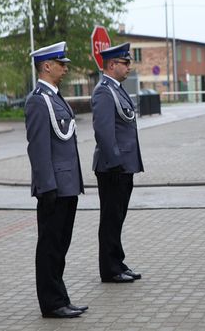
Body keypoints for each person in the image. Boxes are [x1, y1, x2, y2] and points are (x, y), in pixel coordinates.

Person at [25, 41, 87, 318]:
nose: (65, 69)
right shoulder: (38, 100)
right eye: (61, 64)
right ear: (46, 66)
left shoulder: (55, 97)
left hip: (67, 185)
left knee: (60, 246)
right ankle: (51, 303)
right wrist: (47, 186)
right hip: (54, 188)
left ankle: (60, 297)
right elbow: (38, 149)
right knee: (50, 247)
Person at [91, 42, 144, 283]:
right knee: (111, 219)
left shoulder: (117, 89)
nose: (129, 67)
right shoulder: (104, 91)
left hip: (123, 165)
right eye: (125, 63)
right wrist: (115, 164)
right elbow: (103, 132)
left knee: (117, 218)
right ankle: (110, 269)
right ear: (112, 65)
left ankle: (117, 262)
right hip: (113, 167)